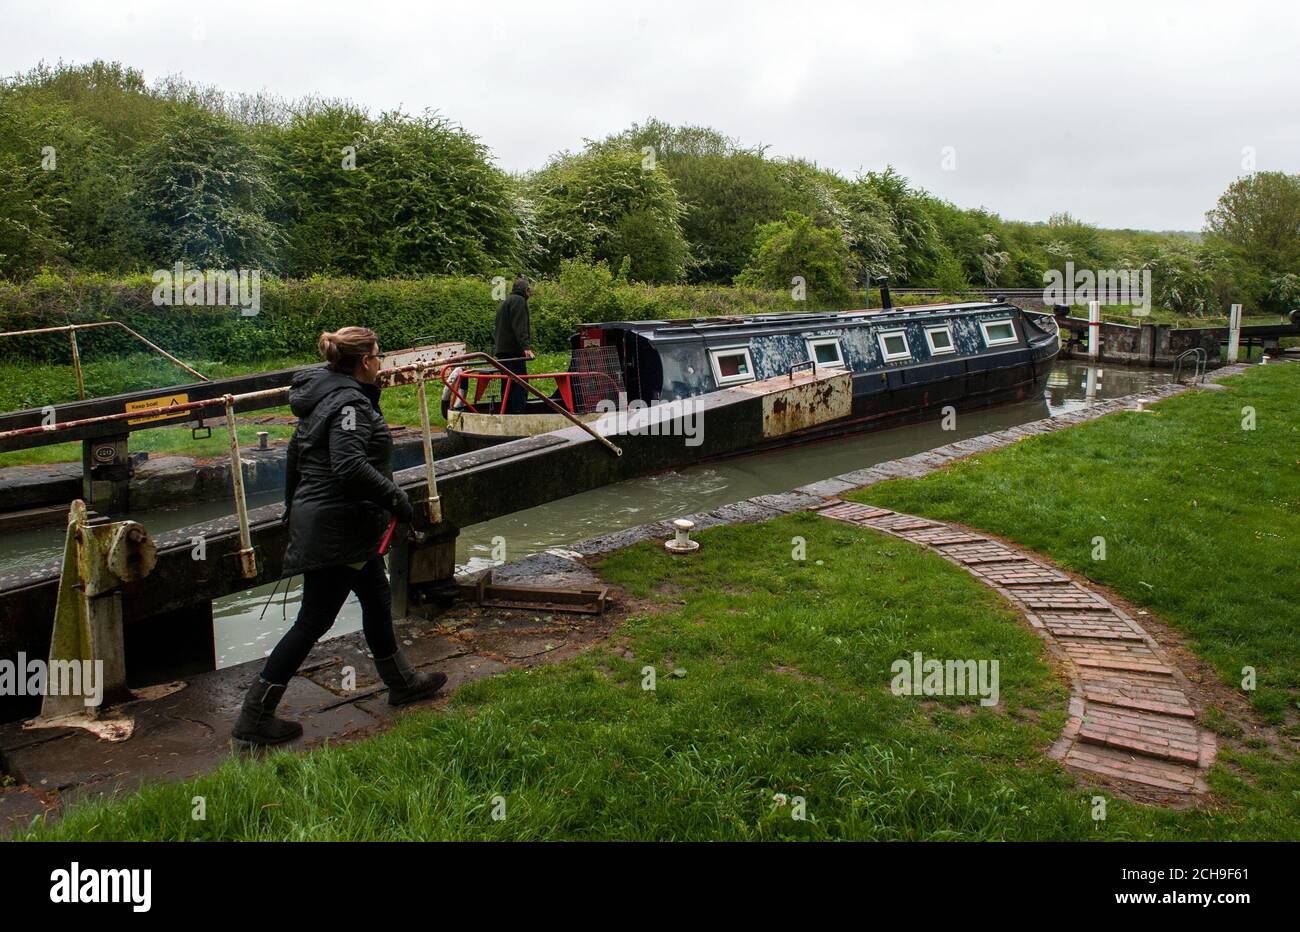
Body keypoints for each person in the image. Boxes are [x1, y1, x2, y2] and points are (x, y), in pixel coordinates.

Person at [232, 326, 447, 748]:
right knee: (313, 620)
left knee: (376, 597)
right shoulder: (348, 402)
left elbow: (296, 456)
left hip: (336, 522)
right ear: (365, 361)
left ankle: (403, 682)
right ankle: (254, 716)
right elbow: (349, 465)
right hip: (339, 526)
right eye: (378, 356)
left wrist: (293, 509)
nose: (382, 362)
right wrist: (397, 499)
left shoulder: (326, 394)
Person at [494, 276, 535, 414]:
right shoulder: (519, 301)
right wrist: (526, 347)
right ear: (526, 290)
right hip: (513, 351)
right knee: (520, 383)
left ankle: (507, 411)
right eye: (529, 291)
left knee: (507, 384)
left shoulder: (506, 301)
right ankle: (518, 412)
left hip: (502, 349)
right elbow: (520, 326)